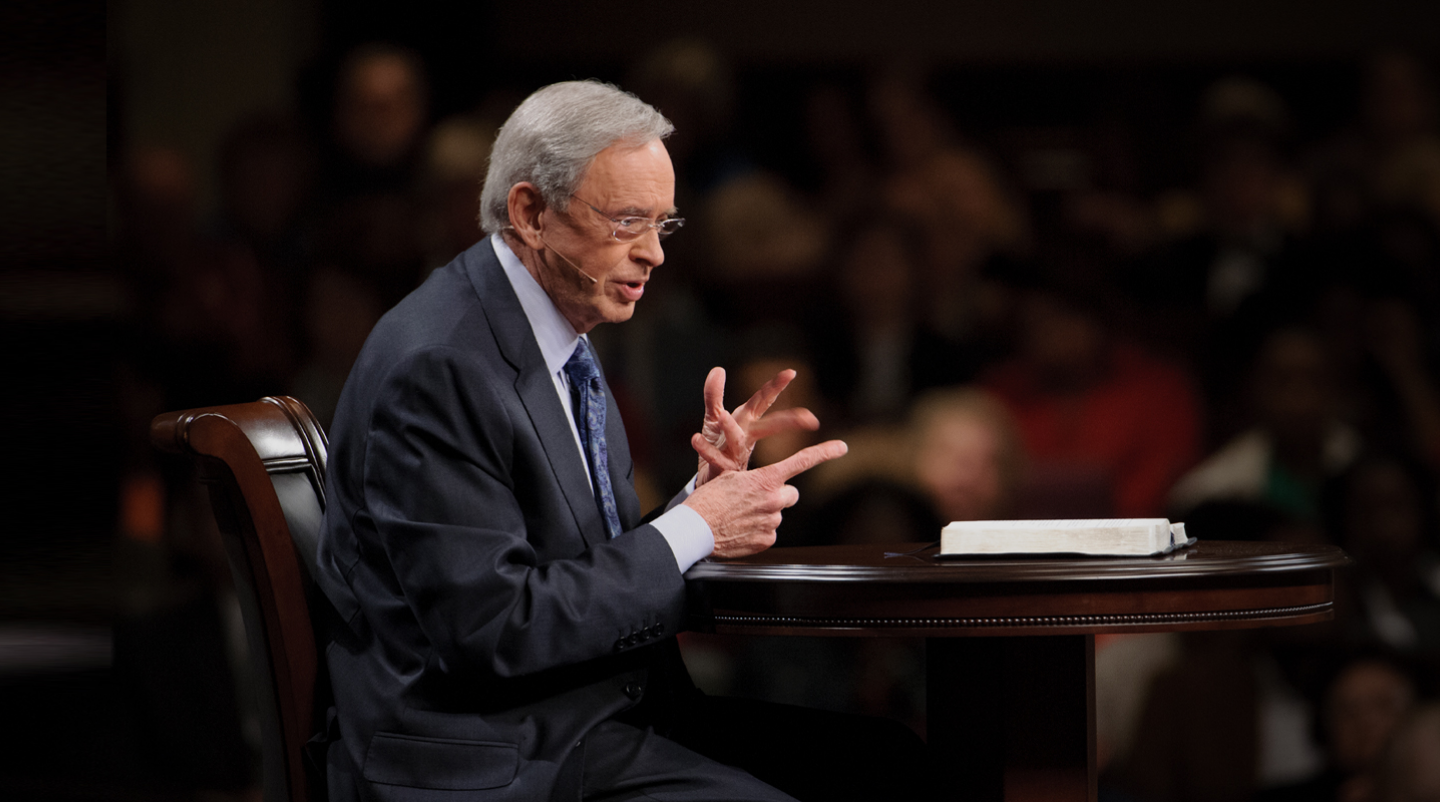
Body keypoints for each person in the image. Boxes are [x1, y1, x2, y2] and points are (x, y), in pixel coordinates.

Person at [313, 80, 928, 802]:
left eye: (662, 225)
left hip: (596, 716)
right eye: (627, 222)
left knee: (895, 763)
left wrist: (700, 503)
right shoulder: (440, 366)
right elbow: (494, 629)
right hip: (494, 754)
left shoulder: (557, 325)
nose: (655, 254)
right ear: (531, 213)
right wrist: (695, 528)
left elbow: (578, 564)